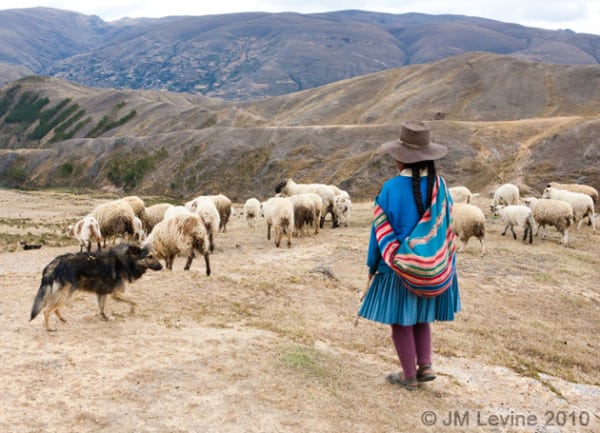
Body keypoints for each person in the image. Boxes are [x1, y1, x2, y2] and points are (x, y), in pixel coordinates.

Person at [358, 120, 461, 391]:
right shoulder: (440, 186)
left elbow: (378, 233)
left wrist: (372, 265)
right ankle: (425, 365)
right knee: (421, 318)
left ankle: (408, 376)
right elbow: (447, 227)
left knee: (400, 322)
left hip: (397, 269)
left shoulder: (390, 189)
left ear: (400, 159)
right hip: (432, 267)